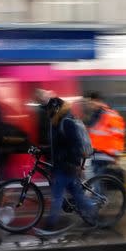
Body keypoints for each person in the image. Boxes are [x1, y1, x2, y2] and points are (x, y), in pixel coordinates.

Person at [44, 97, 97, 230]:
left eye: (50, 110)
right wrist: (40, 150)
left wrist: (76, 165)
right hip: (63, 165)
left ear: (56, 109)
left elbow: (75, 145)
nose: (48, 113)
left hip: (66, 165)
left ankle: (50, 224)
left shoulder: (66, 122)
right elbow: (56, 146)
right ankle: (92, 211)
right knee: (77, 194)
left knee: (57, 195)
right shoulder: (57, 122)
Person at [85, 92, 125, 179]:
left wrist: (117, 156)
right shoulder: (96, 114)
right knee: (96, 183)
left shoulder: (109, 115)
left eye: (91, 103)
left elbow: (118, 135)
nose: (89, 106)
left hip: (105, 155)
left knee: (96, 182)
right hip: (96, 155)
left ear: (97, 101)